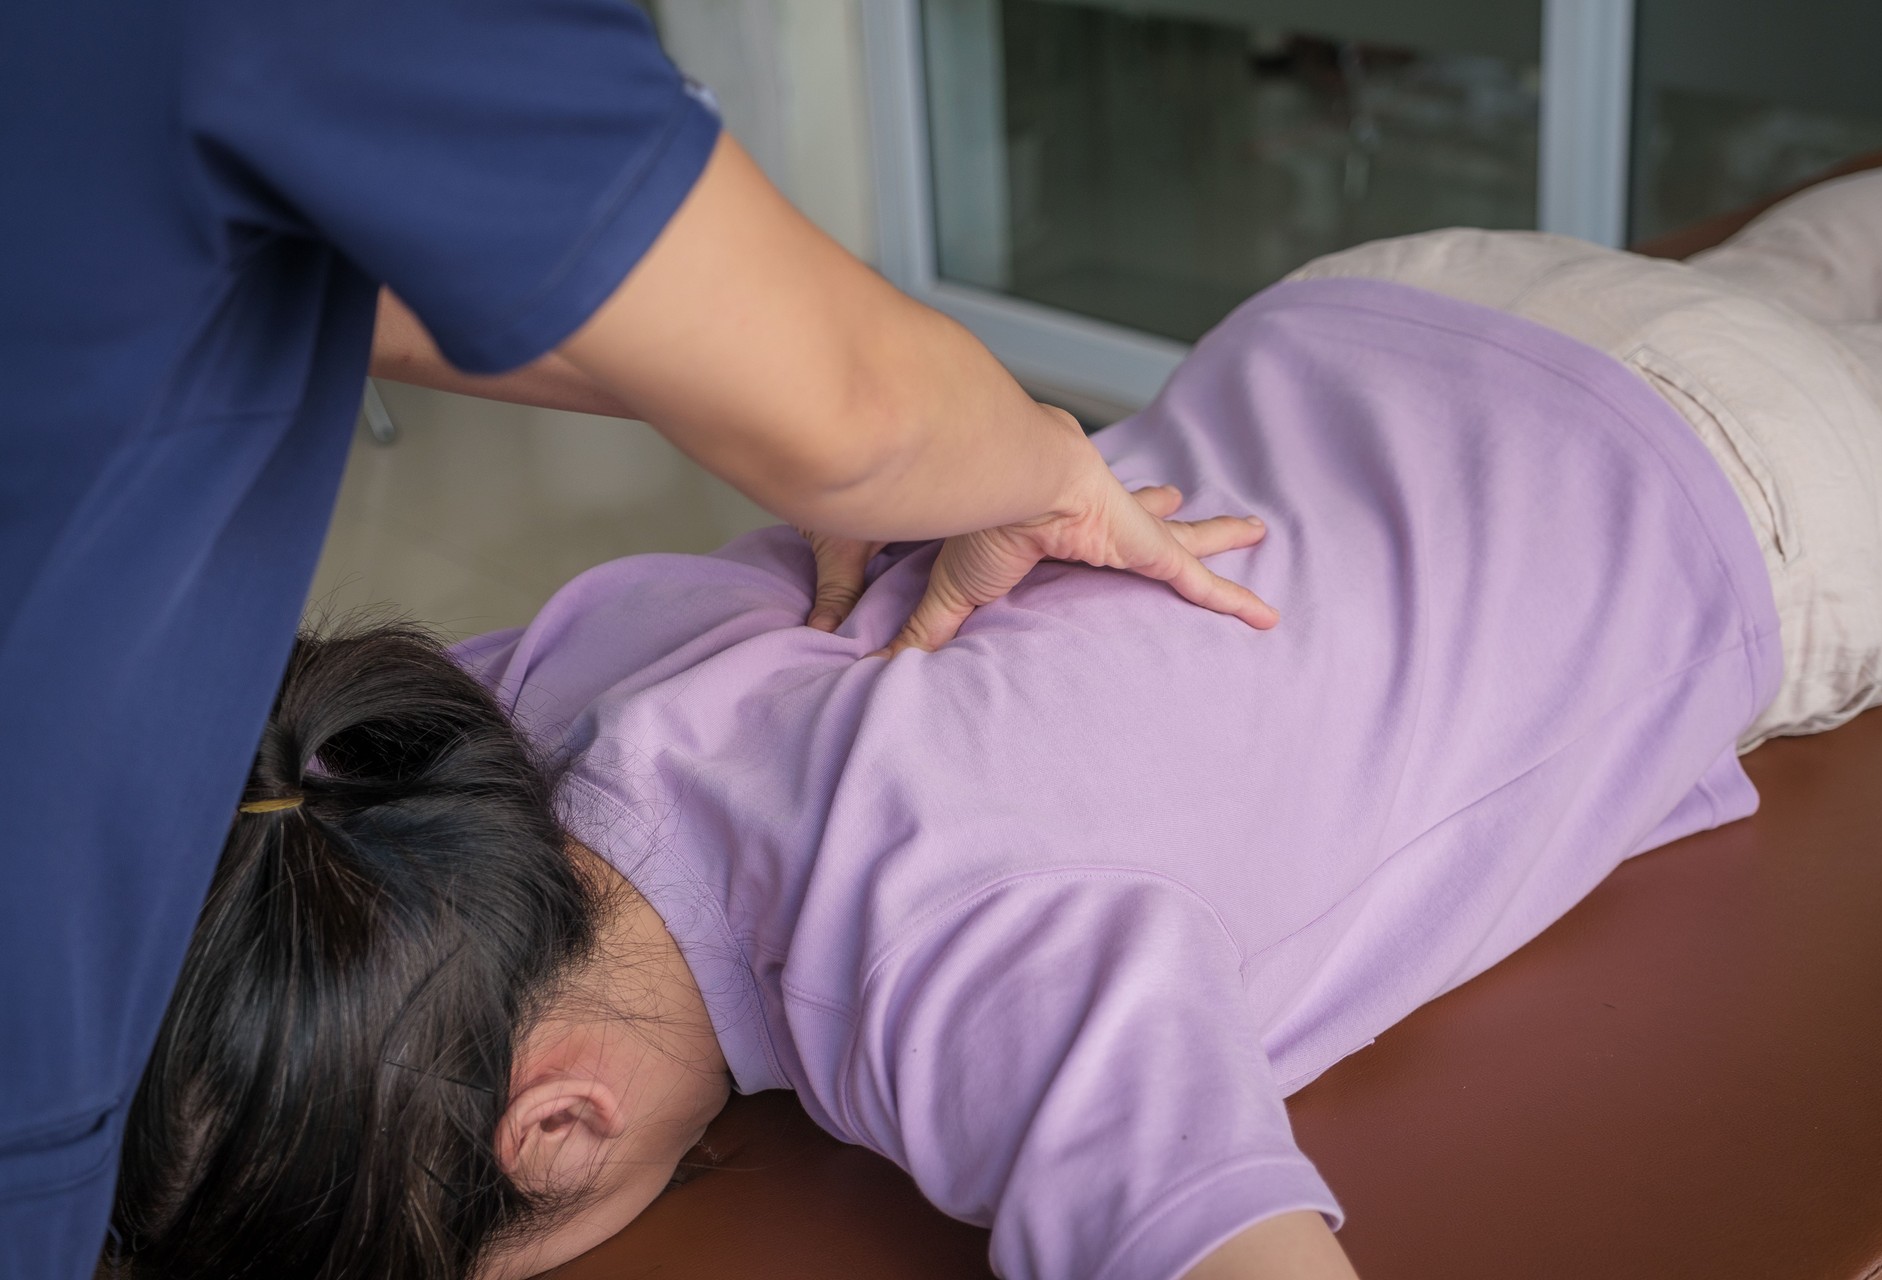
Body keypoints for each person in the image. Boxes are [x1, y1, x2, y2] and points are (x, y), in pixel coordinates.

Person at [102, 164, 1882, 1280]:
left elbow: (1219, 1236)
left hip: (1714, 497)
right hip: (1410, 321)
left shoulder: (956, 956)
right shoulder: (558, 700)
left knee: (1796, 344)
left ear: (556, 1133)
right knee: (1795, 277)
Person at [0, 6, 1273, 1276]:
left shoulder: (931, 917)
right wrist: (1034, 454)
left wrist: (917, 446)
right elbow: (851, 405)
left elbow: (361, 286)